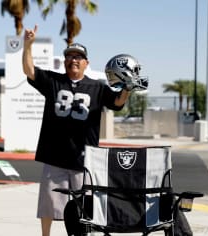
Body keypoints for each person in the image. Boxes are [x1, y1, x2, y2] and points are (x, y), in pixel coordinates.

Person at [22, 25, 134, 236]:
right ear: (64, 61)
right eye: (70, 56)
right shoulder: (53, 81)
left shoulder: (98, 87)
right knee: (48, 204)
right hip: (54, 156)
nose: (74, 60)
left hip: (85, 159)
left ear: (86, 63)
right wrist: (28, 45)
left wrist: (127, 87)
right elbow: (29, 70)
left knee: (86, 207)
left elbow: (118, 102)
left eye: (79, 57)